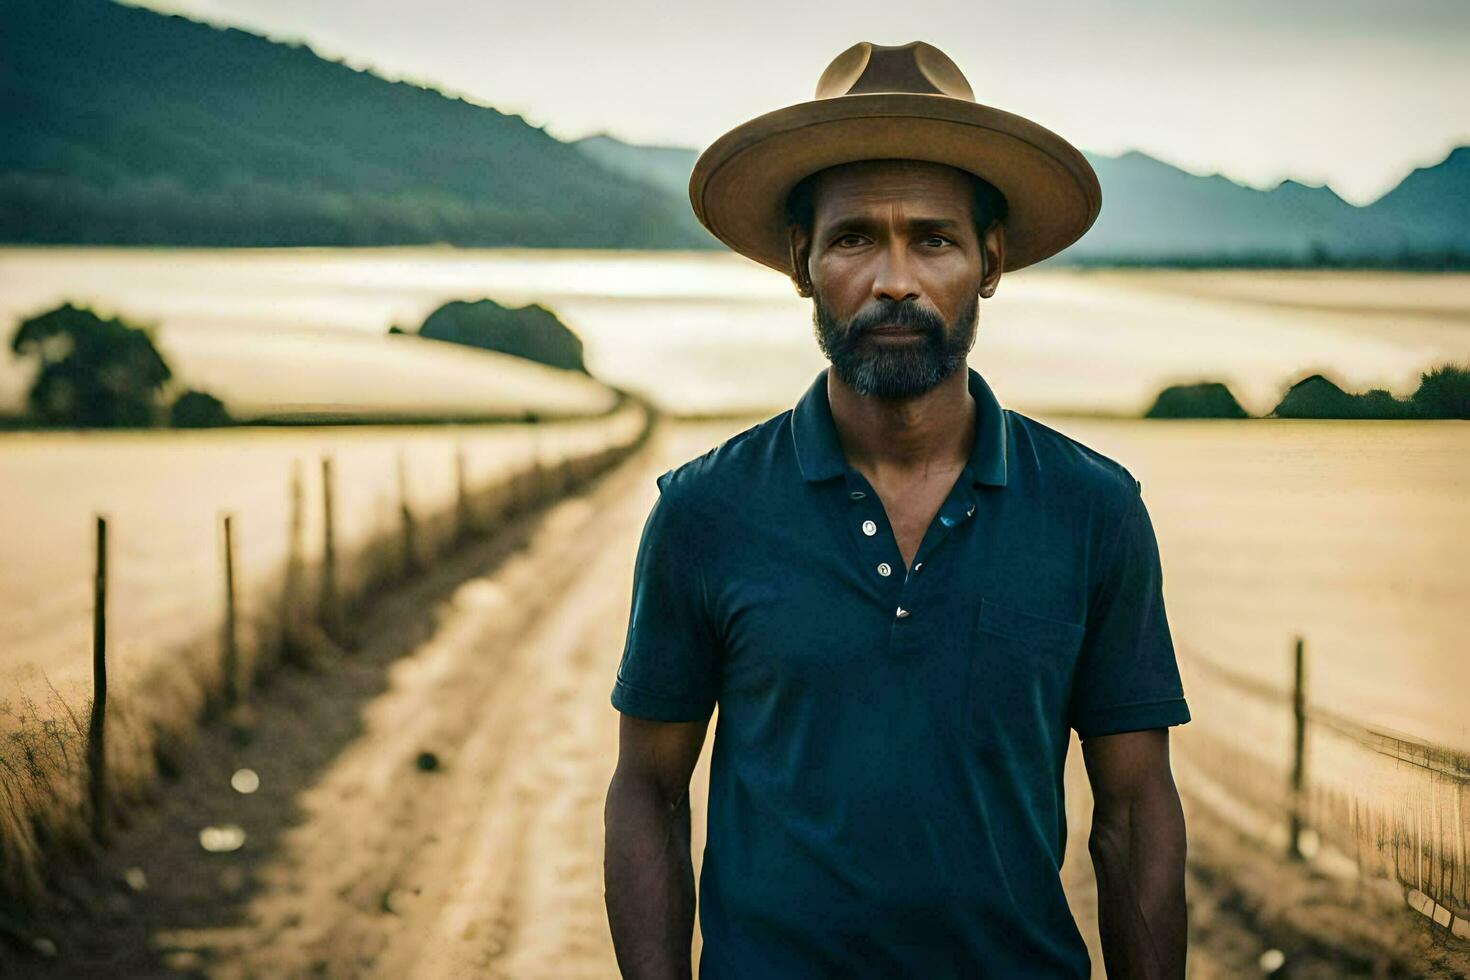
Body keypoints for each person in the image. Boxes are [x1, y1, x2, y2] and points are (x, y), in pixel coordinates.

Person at [604, 40, 1191, 979]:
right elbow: (647, 790)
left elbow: (1133, 811)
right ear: (801, 263)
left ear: (989, 261)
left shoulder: (1092, 509)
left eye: (933, 238)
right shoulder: (705, 511)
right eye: (852, 239)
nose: (894, 280)